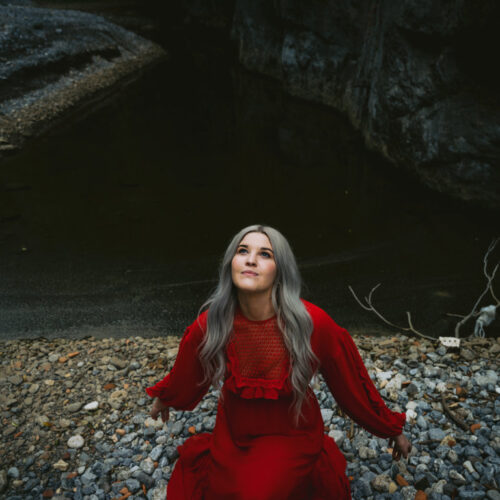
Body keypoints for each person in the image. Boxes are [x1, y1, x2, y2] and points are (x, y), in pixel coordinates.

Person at [146, 224, 412, 499]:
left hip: (291, 435)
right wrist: (167, 397)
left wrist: (390, 427)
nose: (251, 259)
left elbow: (351, 382)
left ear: (280, 271)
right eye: (243, 251)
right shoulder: (214, 321)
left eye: (265, 254)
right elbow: (189, 371)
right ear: (230, 264)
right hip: (234, 434)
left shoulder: (311, 323)